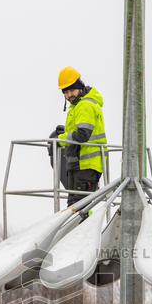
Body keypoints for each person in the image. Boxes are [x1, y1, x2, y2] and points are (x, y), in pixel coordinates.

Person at [54, 67, 107, 206]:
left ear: (80, 87)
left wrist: (61, 139)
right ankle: (81, 227)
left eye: (72, 90)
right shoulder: (77, 106)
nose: (69, 95)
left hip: (86, 165)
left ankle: (83, 227)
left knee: (79, 206)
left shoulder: (84, 105)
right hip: (79, 164)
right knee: (76, 206)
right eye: (65, 92)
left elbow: (83, 134)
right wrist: (64, 133)